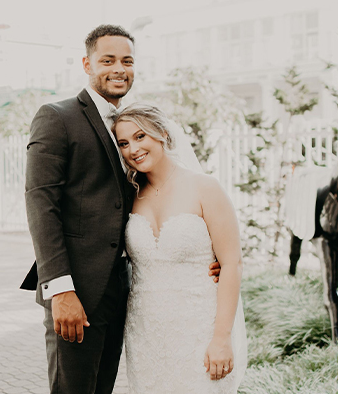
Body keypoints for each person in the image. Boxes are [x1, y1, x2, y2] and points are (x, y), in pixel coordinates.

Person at [21, 24, 220, 394]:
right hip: (74, 292)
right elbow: (40, 205)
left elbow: (156, 198)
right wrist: (60, 290)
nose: (118, 68)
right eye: (107, 60)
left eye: (127, 61)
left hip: (122, 293)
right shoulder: (57, 117)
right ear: (87, 64)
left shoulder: (131, 127)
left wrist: (205, 253)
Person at [112, 103, 247, 393]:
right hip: (145, 331)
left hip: (199, 326)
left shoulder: (204, 188)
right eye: (123, 143)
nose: (132, 149)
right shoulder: (127, 195)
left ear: (161, 133)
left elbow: (232, 264)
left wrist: (222, 338)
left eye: (140, 137)